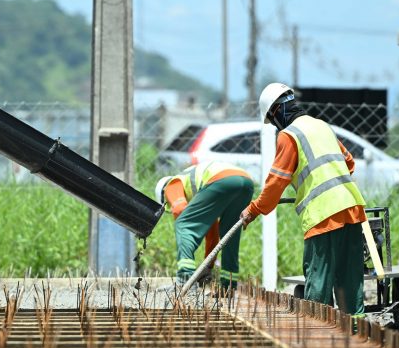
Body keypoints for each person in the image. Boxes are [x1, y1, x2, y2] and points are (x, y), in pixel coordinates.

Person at [240, 82, 367, 316]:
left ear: (276, 112)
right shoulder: (321, 125)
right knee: (350, 279)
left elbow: (276, 183)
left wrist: (253, 210)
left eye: (272, 119)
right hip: (352, 207)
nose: (275, 126)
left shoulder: (289, 136)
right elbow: (348, 162)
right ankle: (357, 333)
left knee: (319, 277)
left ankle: (318, 329)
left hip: (323, 215)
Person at [155, 160, 254, 295]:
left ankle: (185, 278)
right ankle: (228, 286)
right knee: (229, 234)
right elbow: (212, 235)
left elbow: (180, 210)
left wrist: (184, 223)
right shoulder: (202, 192)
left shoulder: (171, 185)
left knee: (183, 223)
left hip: (223, 179)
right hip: (246, 182)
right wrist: (208, 266)